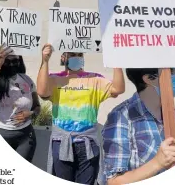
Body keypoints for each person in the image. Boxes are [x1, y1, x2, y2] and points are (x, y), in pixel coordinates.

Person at [37, 44, 125, 185]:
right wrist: (45, 60)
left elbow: (118, 89)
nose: (76, 58)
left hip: (87, 143)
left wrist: (116, 62)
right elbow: (42, 91)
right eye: (72, 55)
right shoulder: (54, 79)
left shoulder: (95, 79)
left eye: (80, 55)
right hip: (61, 142)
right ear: (63, 58)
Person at [102, 68, 175, 185]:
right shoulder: (121, 116)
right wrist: (157, 163)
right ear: (149, 78)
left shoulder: (171, 113)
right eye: (172, 70)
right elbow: (114, 181)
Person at [0, 45, 40, 162]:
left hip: (25, 137)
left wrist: (31, 113)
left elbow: (37, 107)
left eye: (15, 60)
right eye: (7, 61)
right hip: (0, 133)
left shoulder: (26, 80)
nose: (12, 64)